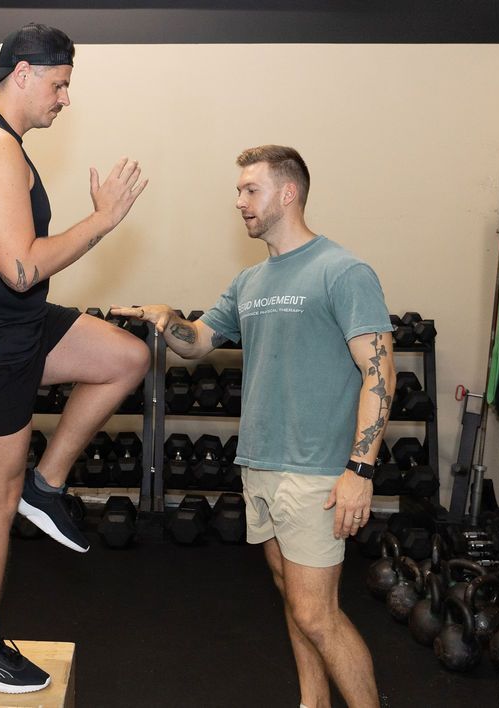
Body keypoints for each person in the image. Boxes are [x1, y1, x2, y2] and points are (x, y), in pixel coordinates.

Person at [113, 145, 394, 708]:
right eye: (239, 190)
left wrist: (359, 469)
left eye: (250, 190)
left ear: (288, 193)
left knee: (318, 614)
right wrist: (167, 321)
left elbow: (379, 369)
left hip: (316, 471)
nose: (238, 201)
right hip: (260, 464)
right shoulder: (249, 281)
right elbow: (197, 344)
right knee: (293, 598)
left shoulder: (342, 270)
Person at [0, 23, 149, 694]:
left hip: (15, 325)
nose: (65, 98)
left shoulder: (6, 144)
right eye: (60, 84)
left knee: (124, 357)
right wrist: (101, 222)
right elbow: (21, 267)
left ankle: (48, 486)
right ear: (22, 74)